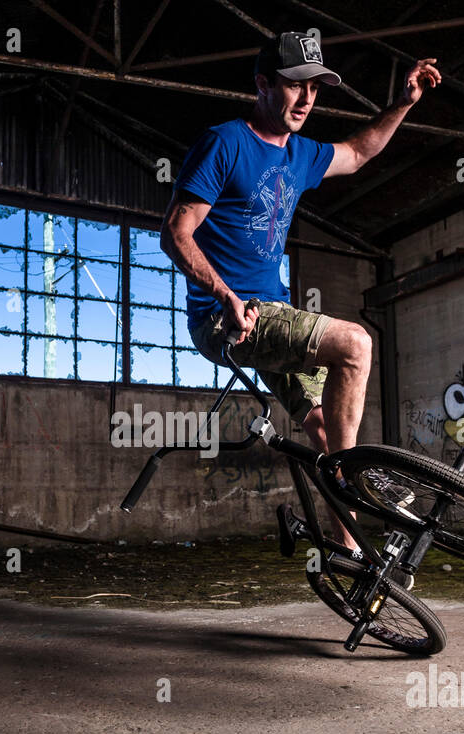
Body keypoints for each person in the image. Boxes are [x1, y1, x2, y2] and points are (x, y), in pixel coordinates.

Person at [161, 31, 440, 554]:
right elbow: (175, 233)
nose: (307, 99)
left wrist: (402, 104)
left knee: (321, 424)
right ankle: (353, 476)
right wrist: (224, 296)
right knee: (356, 345)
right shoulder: (225, 142)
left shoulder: (302, 154)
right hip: (224, 318)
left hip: (273, 314)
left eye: (315, 88)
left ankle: (349, 546)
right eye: (295, 86)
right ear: (264, 85)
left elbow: (358, 152)